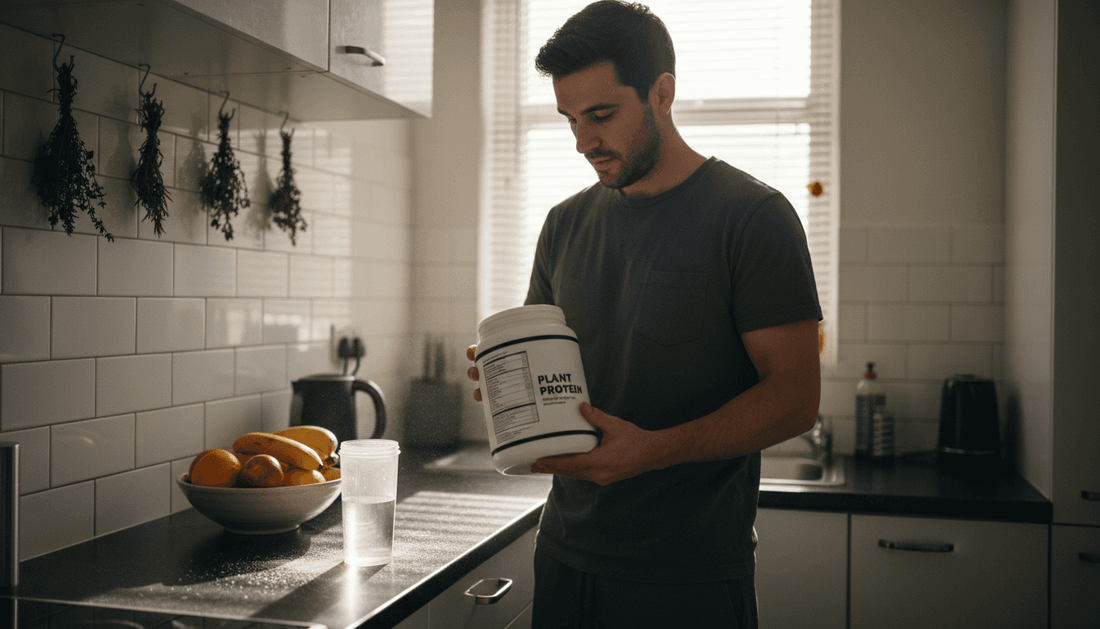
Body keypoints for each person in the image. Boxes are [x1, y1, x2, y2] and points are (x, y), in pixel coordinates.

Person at [465, 2, 822, 627]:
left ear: (663, 93)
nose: (583, 142)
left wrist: (651, 451)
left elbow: (796, 398)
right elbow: (555, 382)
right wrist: (506, 381)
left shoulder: (753, 217)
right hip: (564, 556)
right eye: (570, 119)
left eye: (601, 116)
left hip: (689, 576)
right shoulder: (563, 225)